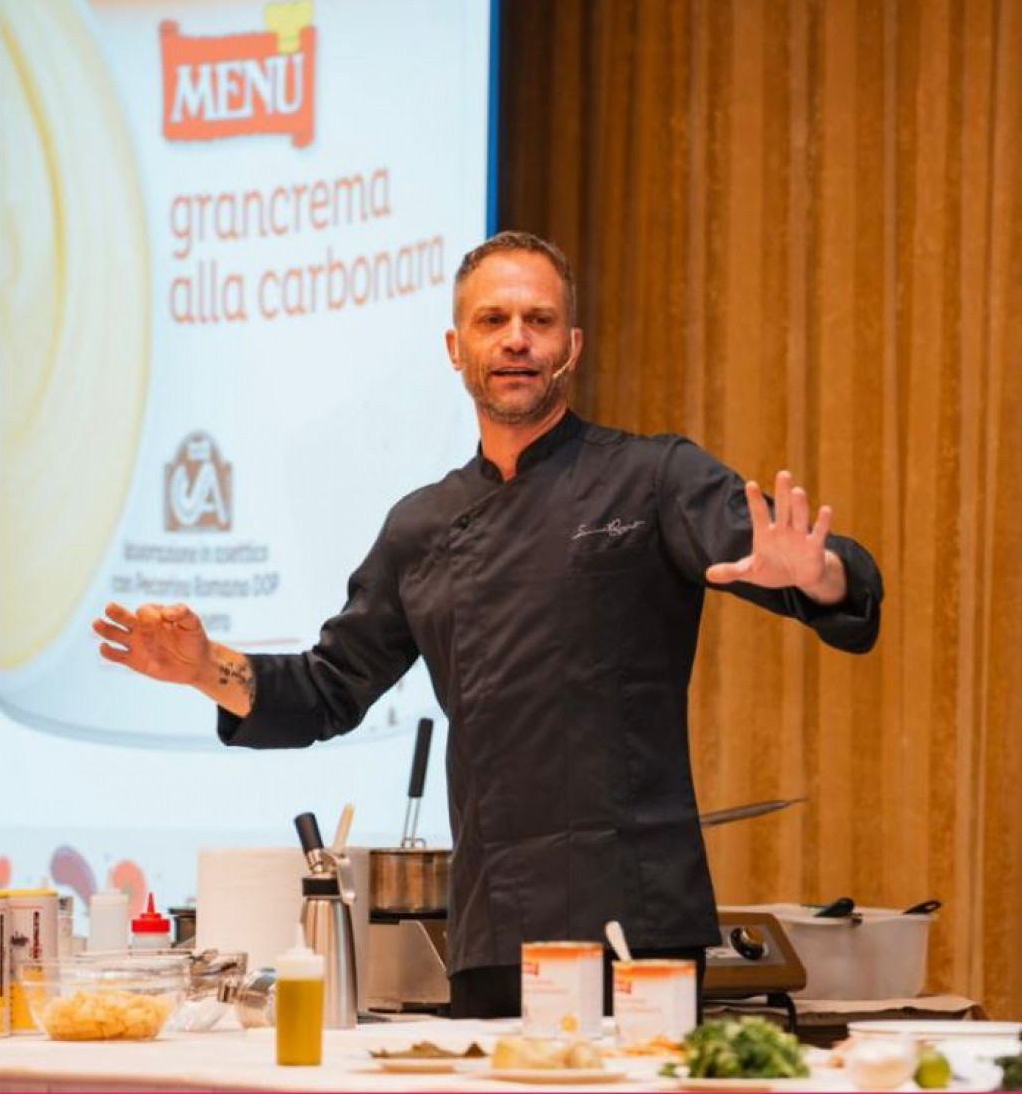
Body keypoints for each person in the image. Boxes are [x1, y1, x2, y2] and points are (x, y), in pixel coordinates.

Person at [92, 231, 883, 1018]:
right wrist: (206, 667)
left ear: (571, 346)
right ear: (455, 347)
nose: (516, 339)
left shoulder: (652, 478)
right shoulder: (421, 526)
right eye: (492, 319)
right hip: (494, 930)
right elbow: (329, 689)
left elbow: (820, 570)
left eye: (539, 320)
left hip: (639, 922)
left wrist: (818, 574)